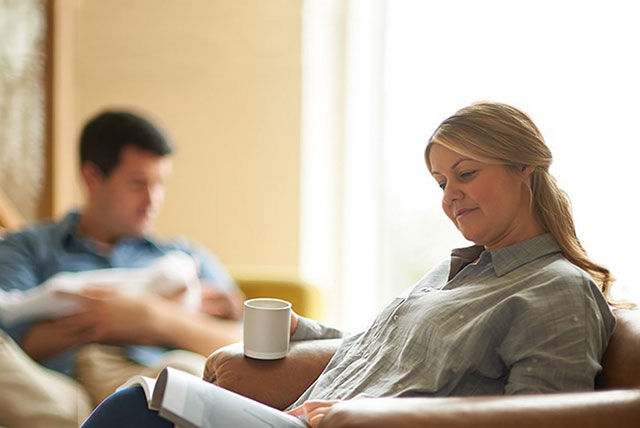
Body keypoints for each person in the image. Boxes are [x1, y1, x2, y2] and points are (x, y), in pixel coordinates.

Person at [81, 101, 616, 428]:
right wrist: (304, 331)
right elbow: (390, 348)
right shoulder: (458, 272)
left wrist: (374, 416)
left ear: (524, 166)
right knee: (146, 401)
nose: (451, 196)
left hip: (346, 424)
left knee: (139, 410)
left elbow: (541, 418)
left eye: (466, 174)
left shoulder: (557, 291)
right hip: (302, 418)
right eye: (441, 183)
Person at [0, 110, 244, 428]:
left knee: (186, 371)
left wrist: (149, 317)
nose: (152, 200)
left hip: (150, 384)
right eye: (138, 184)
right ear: (92, 177)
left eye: (160, 184)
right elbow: (10, 335)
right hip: (55, 393)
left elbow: (241, 344)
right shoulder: (29, 247)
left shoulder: (183, 257)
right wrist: (101, 320)